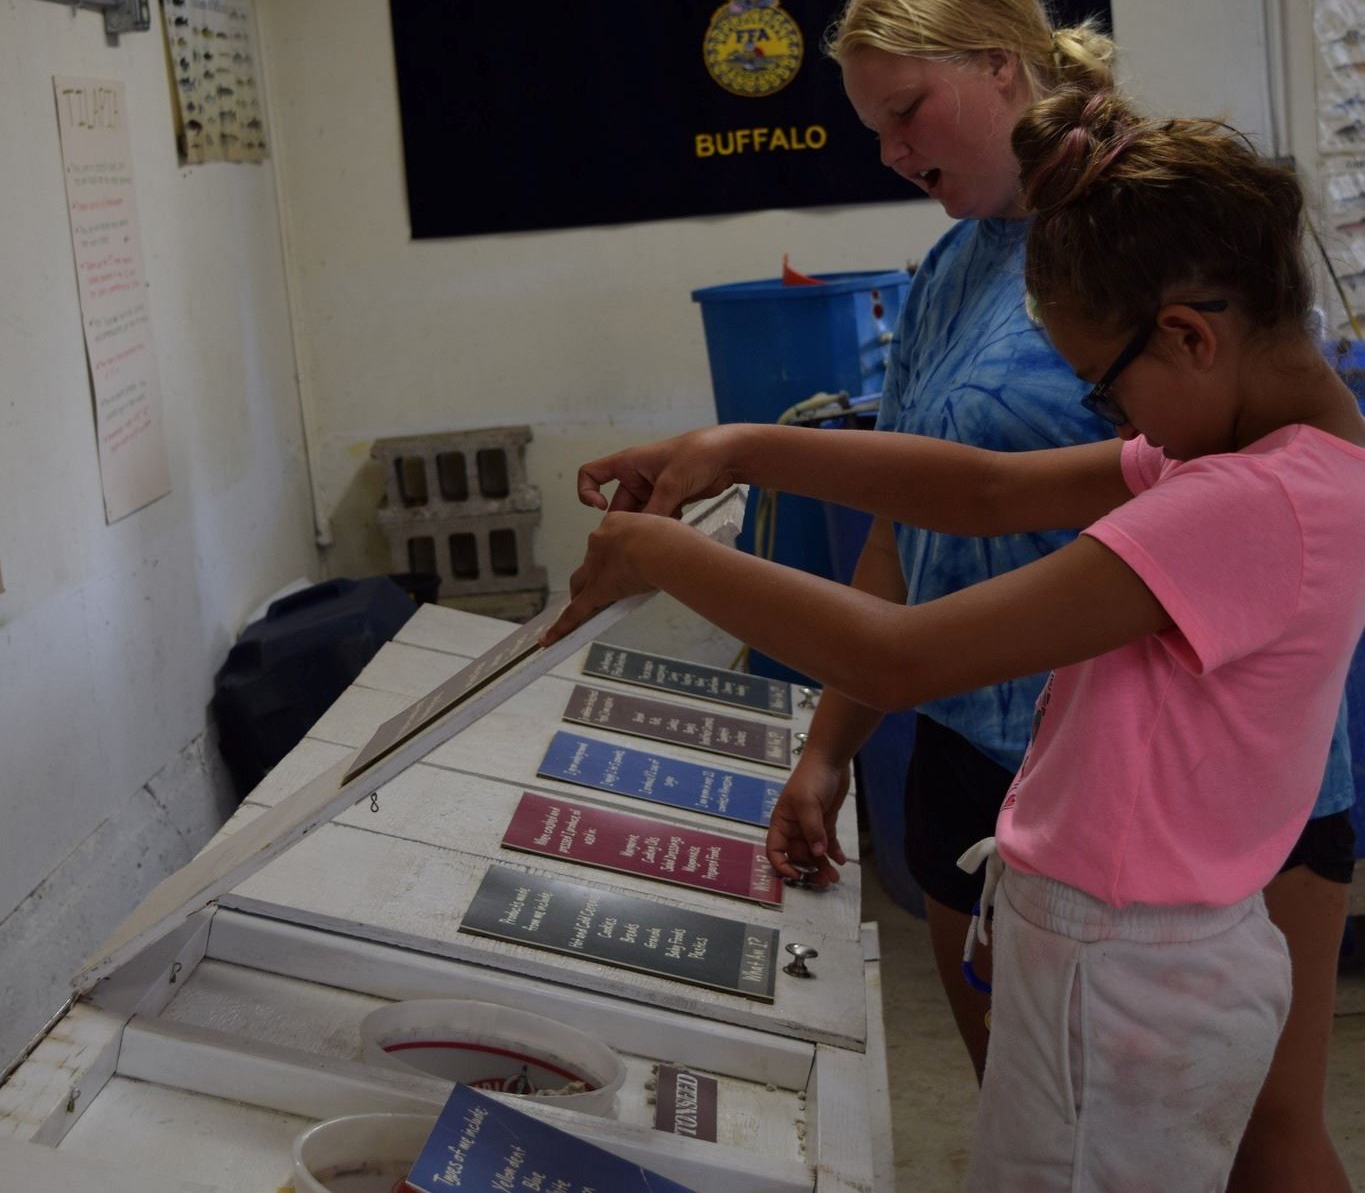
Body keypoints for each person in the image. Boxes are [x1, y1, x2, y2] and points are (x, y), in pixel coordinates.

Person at [543, 86, 1365, 1189]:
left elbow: (903, 656)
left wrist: (660, 555)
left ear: (1188, 337)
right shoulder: (1260, 460)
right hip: (1128, 949)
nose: (1115, 426)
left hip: (1128, 977)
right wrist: (739, 448)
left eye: (1106, 397)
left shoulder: (1247, 506)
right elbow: (981, 489)